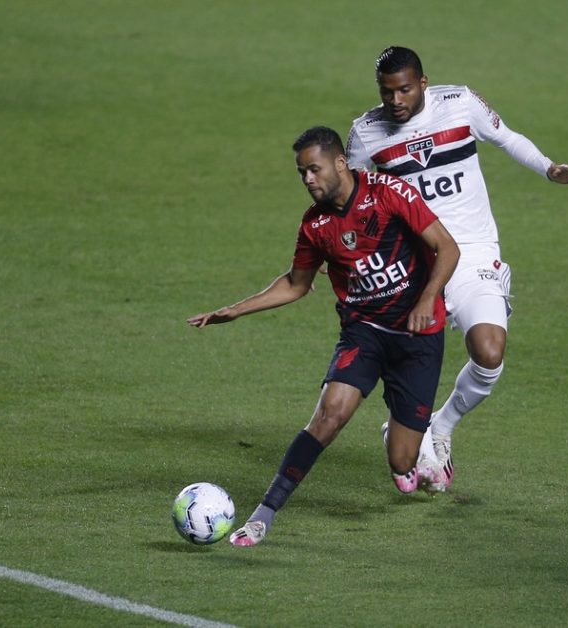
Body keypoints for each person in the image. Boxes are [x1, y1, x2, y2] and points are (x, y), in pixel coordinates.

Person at [187, 126, 459, 547]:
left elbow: (448, 247)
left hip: (417, 336)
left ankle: (403, 443)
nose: (308, 179)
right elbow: (297, 283)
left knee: (403, 460)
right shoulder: (315, 225)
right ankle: (264, 515)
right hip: (364, 332)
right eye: (301, 173)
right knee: (329, 414)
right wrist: (235, 310)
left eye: (313, 169)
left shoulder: (388, 193)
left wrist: (426, 300)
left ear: (338, 163)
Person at [347, 46, 568, 491]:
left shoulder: (460, 104)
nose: (396, 101)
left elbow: (507, 137)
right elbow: (354, 199)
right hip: (410, 264)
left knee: (489, 350)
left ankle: (441, 426)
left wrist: (548, 168)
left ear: (423, 83)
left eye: (404, 89)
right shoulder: (366, 134)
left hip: (472, 251)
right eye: (387, 93)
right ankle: (407, 433)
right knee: (408, 361)